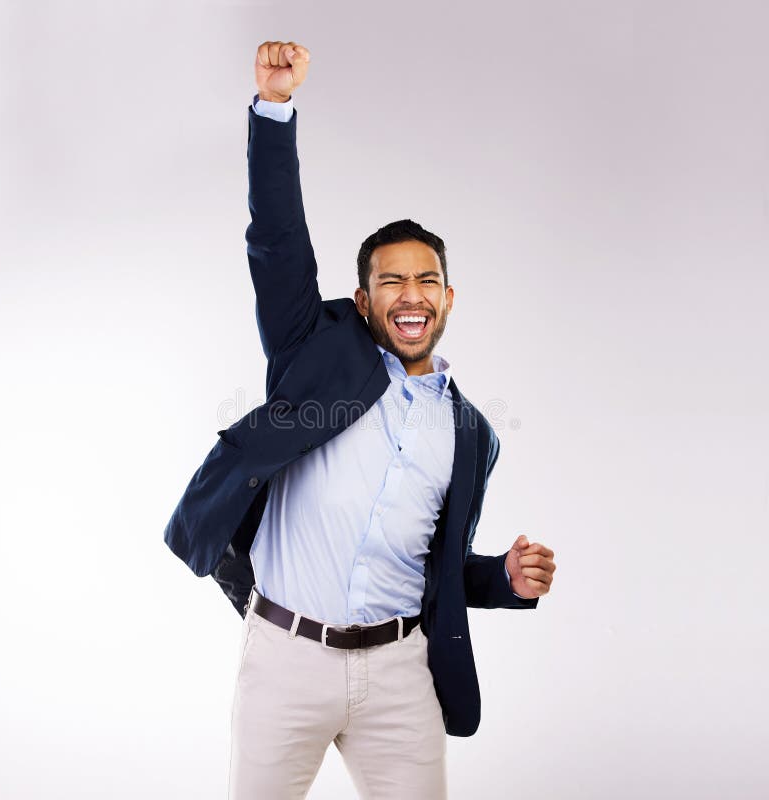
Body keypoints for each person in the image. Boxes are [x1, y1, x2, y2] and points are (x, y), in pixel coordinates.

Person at [164, 39, 557, 800]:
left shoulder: (473, 433)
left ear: (448, 298)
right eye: (391, 281)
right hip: (286, 660)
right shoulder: (316, 357)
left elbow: (432, 568)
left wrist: (504, 579)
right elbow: (277, 245)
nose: (411, 293)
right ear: (366, 298)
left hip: (401, 675)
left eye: (427, 280)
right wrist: (274, 109)